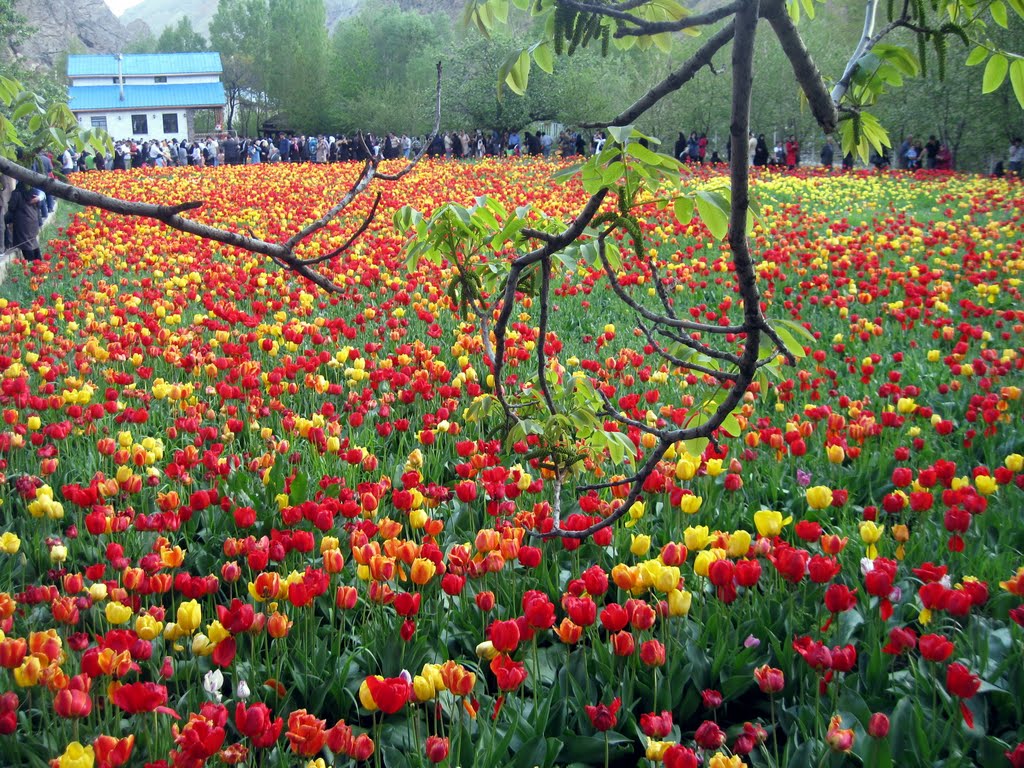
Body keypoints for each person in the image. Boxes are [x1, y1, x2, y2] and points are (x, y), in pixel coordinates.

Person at [5, 180, 45, 261]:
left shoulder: (16, 193)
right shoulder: (34, 192)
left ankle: (32, 263)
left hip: (22, 223)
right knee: (33, 242)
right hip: (33, 221)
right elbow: (41, 201)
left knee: (26, 244)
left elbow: (12, 207)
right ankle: (39, 262)